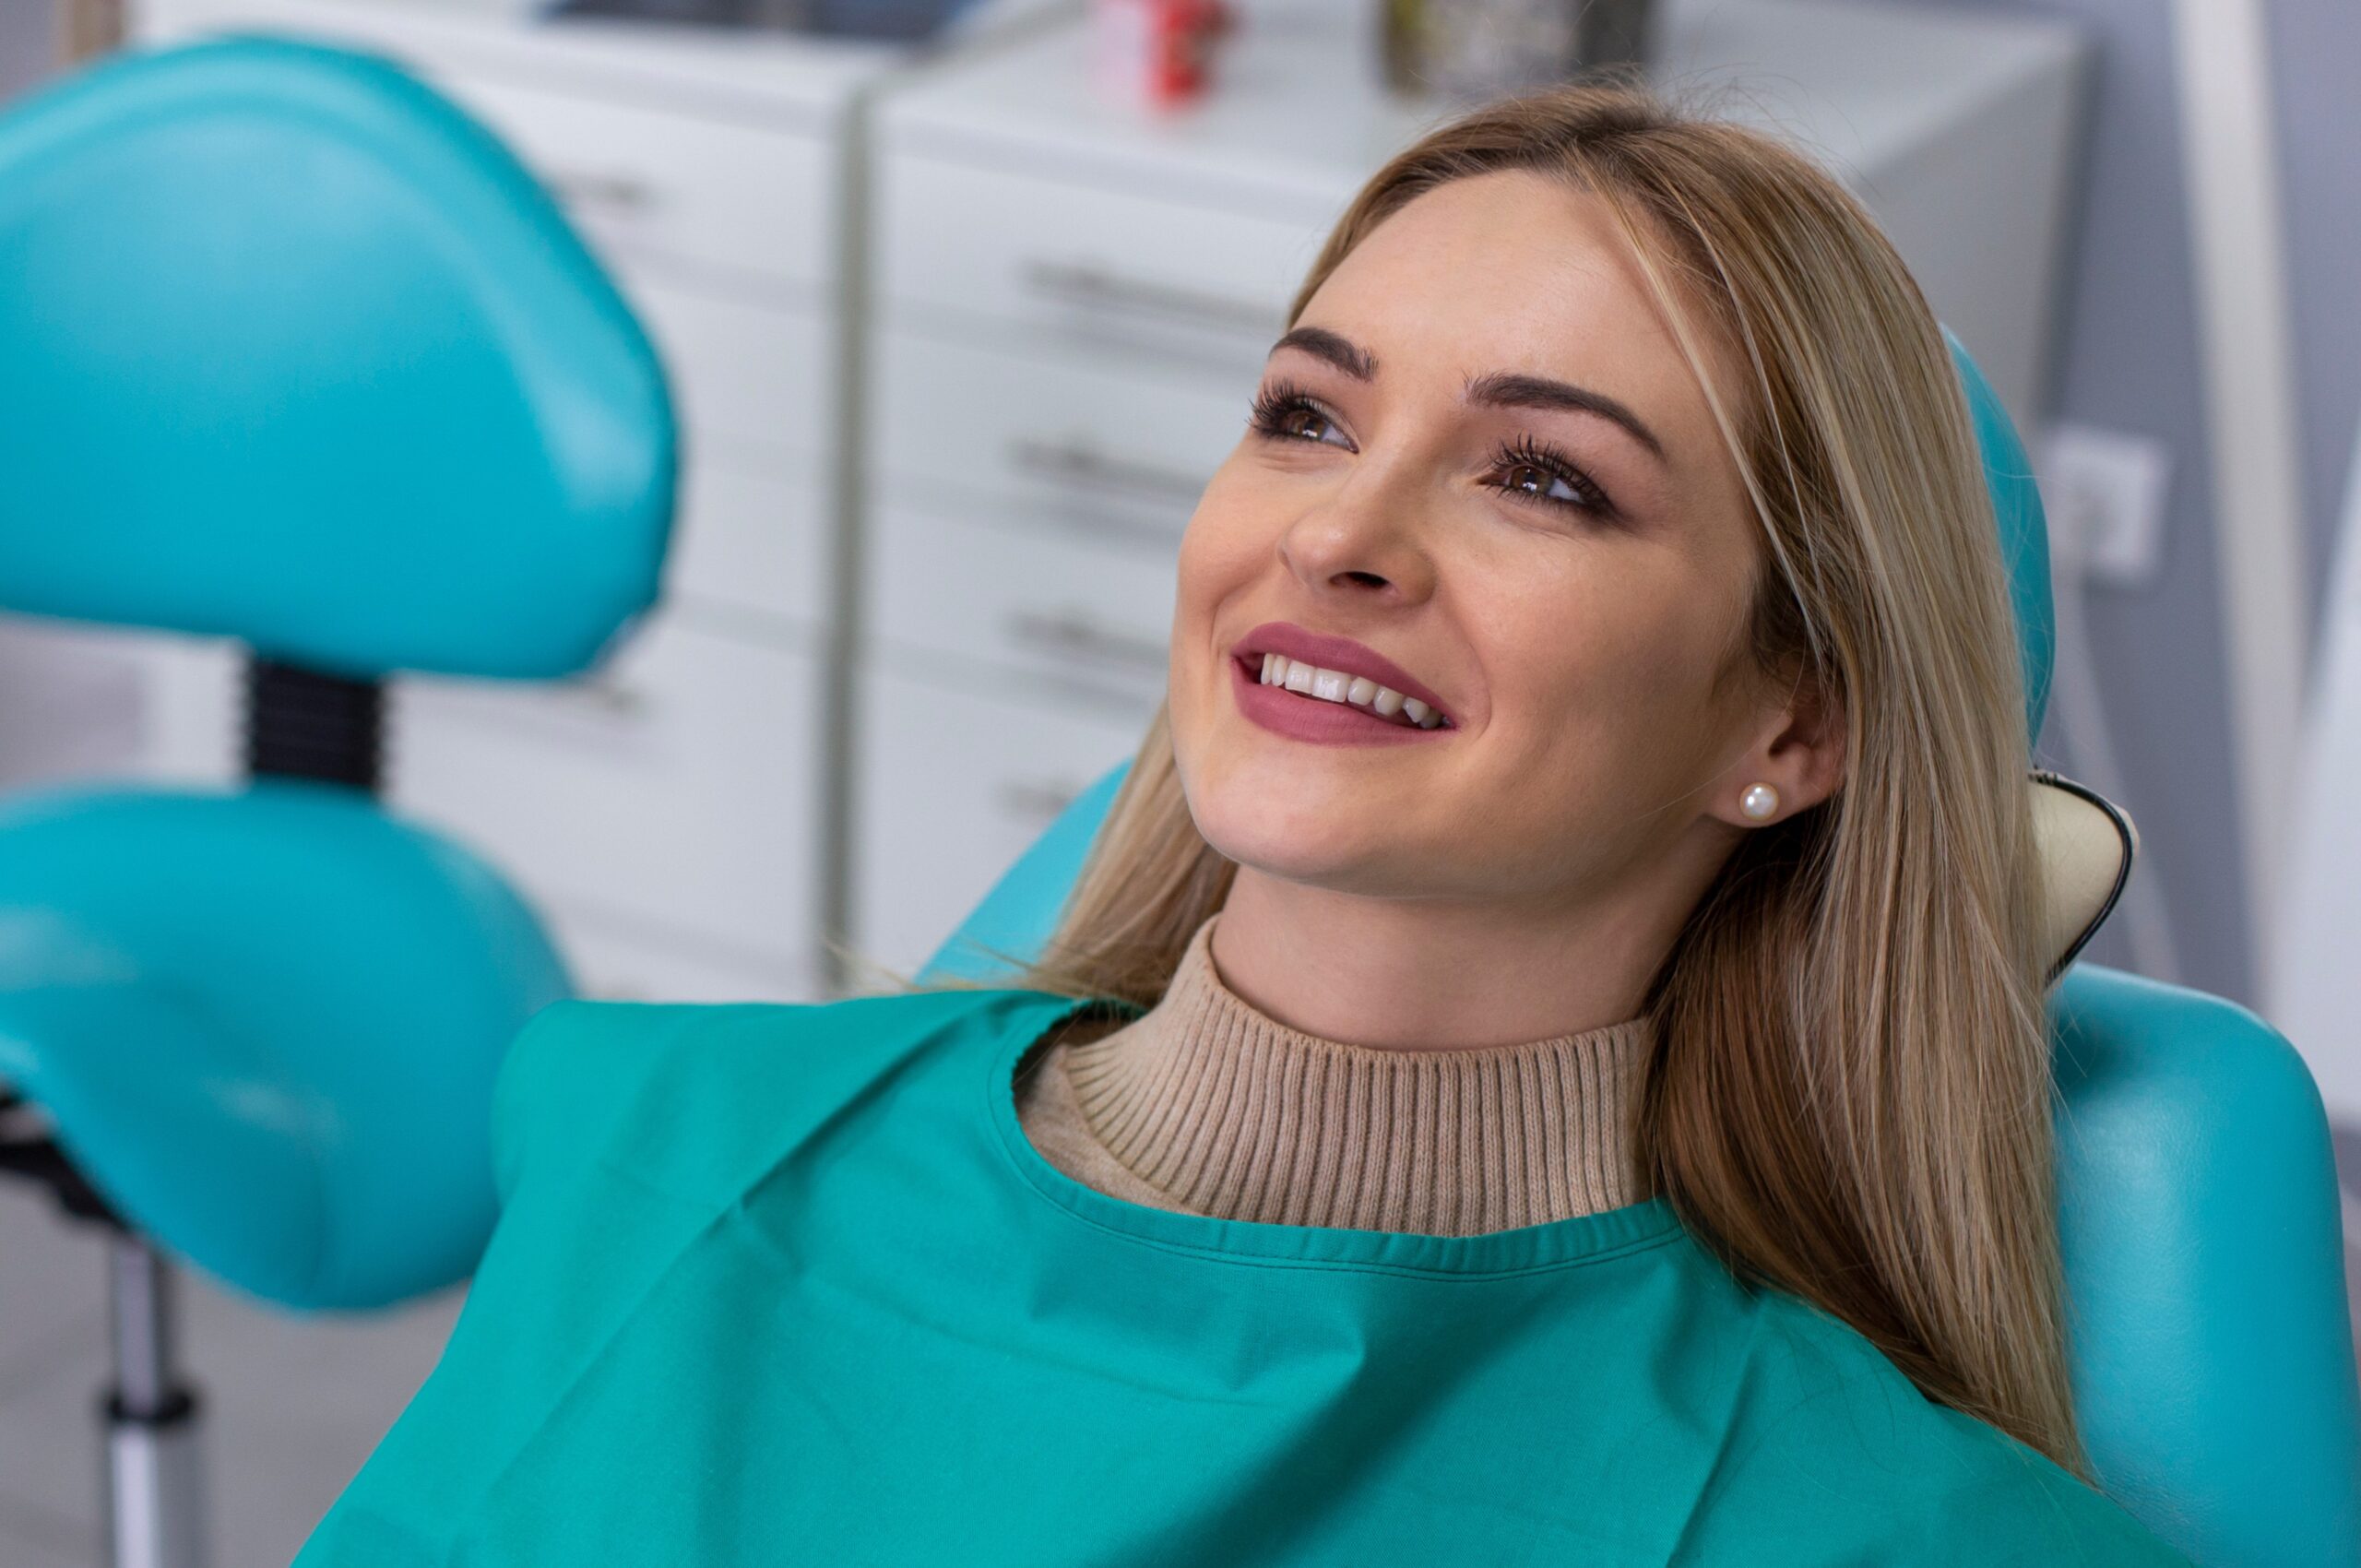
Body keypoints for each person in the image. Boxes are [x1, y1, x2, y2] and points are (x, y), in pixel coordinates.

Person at [295, 84, 2189, 1564]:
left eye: (1541, 477)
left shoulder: (1877, 1529)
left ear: (1791, 719)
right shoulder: (642, 1145)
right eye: (1303, 416)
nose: (1335, 535)